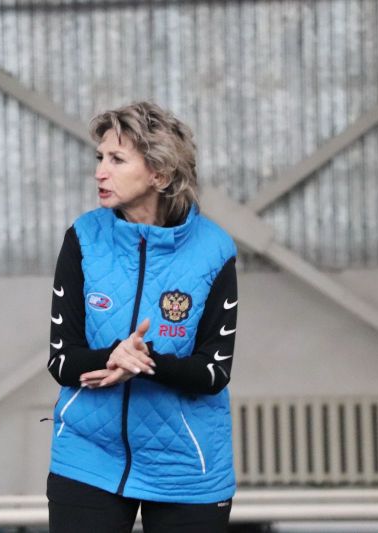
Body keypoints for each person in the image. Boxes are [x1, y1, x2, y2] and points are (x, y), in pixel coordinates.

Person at [46, 101, 238, 533]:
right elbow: (62, 360)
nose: (100, 172)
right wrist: (113, 355)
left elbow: (213, 372)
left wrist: (143, 361)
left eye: (117, 160)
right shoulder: (83, 238)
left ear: (160, 174)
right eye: (100, 157)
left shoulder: (214, 250)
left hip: (187, 466)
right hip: (87, 457)